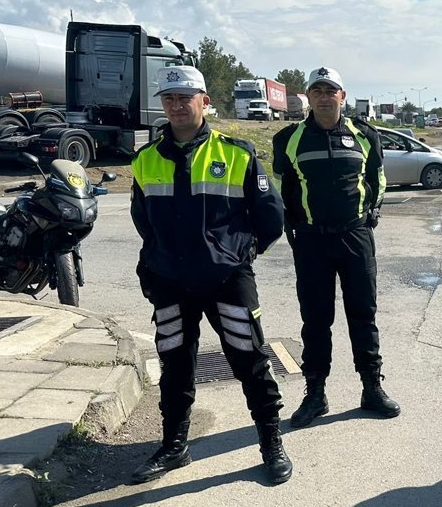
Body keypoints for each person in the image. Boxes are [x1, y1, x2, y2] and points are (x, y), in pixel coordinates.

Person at [129, 65, 292, 485]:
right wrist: (157, 260)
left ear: (204, 101)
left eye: (185, 98)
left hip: (227, 281)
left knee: (250, 361)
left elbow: (271, 218)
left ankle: (271, 443)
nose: (176, 106)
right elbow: (143, 221)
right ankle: (174, 446)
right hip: (170, 282)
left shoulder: (237, 153)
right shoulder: (146, 160)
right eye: (169, 98)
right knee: (174, 365)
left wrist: (241, 254)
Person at [272, 66, 400, 427]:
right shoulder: (290, 139)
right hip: (311, 240)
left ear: (342, 96)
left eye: (331, 91)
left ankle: (371, 388)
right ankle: (315, 394)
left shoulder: (364, 134)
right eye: (318, 91)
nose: (325, 98)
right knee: (315, 319)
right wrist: (291, 226)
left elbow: (377, 179)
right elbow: (284, 186)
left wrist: (371, 214)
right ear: (308, 97)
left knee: (363, 314)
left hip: (355, 236)